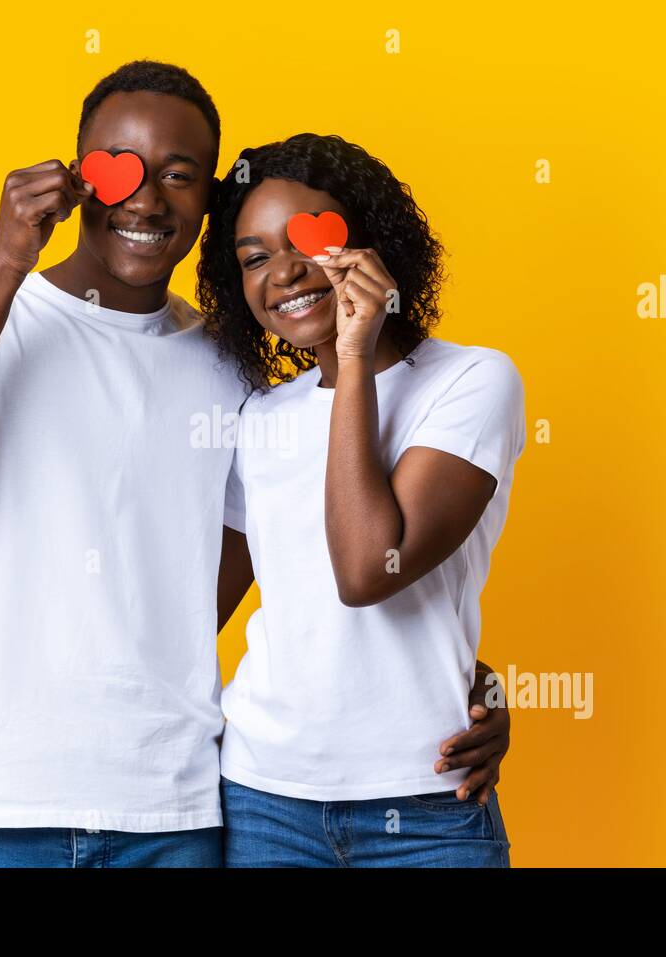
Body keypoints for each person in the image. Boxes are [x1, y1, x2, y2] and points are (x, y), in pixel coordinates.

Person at [0, 61, 509, 867]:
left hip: (174, 808)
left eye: (180, 175)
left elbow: (291, 579)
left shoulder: (231, 371)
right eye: (119, 167)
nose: (147, 197)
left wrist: (459, 676)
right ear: (77, 175)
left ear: (207, 202)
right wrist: (4, 262)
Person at [197, 133, 526, 866]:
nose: (284, 270)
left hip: (431, 796)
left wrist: (352, 355)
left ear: (374, 241)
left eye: (312, 237)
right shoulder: (258, 417)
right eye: (253, 258)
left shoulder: (472, 381)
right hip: (262, 798)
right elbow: (189, 613)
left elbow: (367, 568)